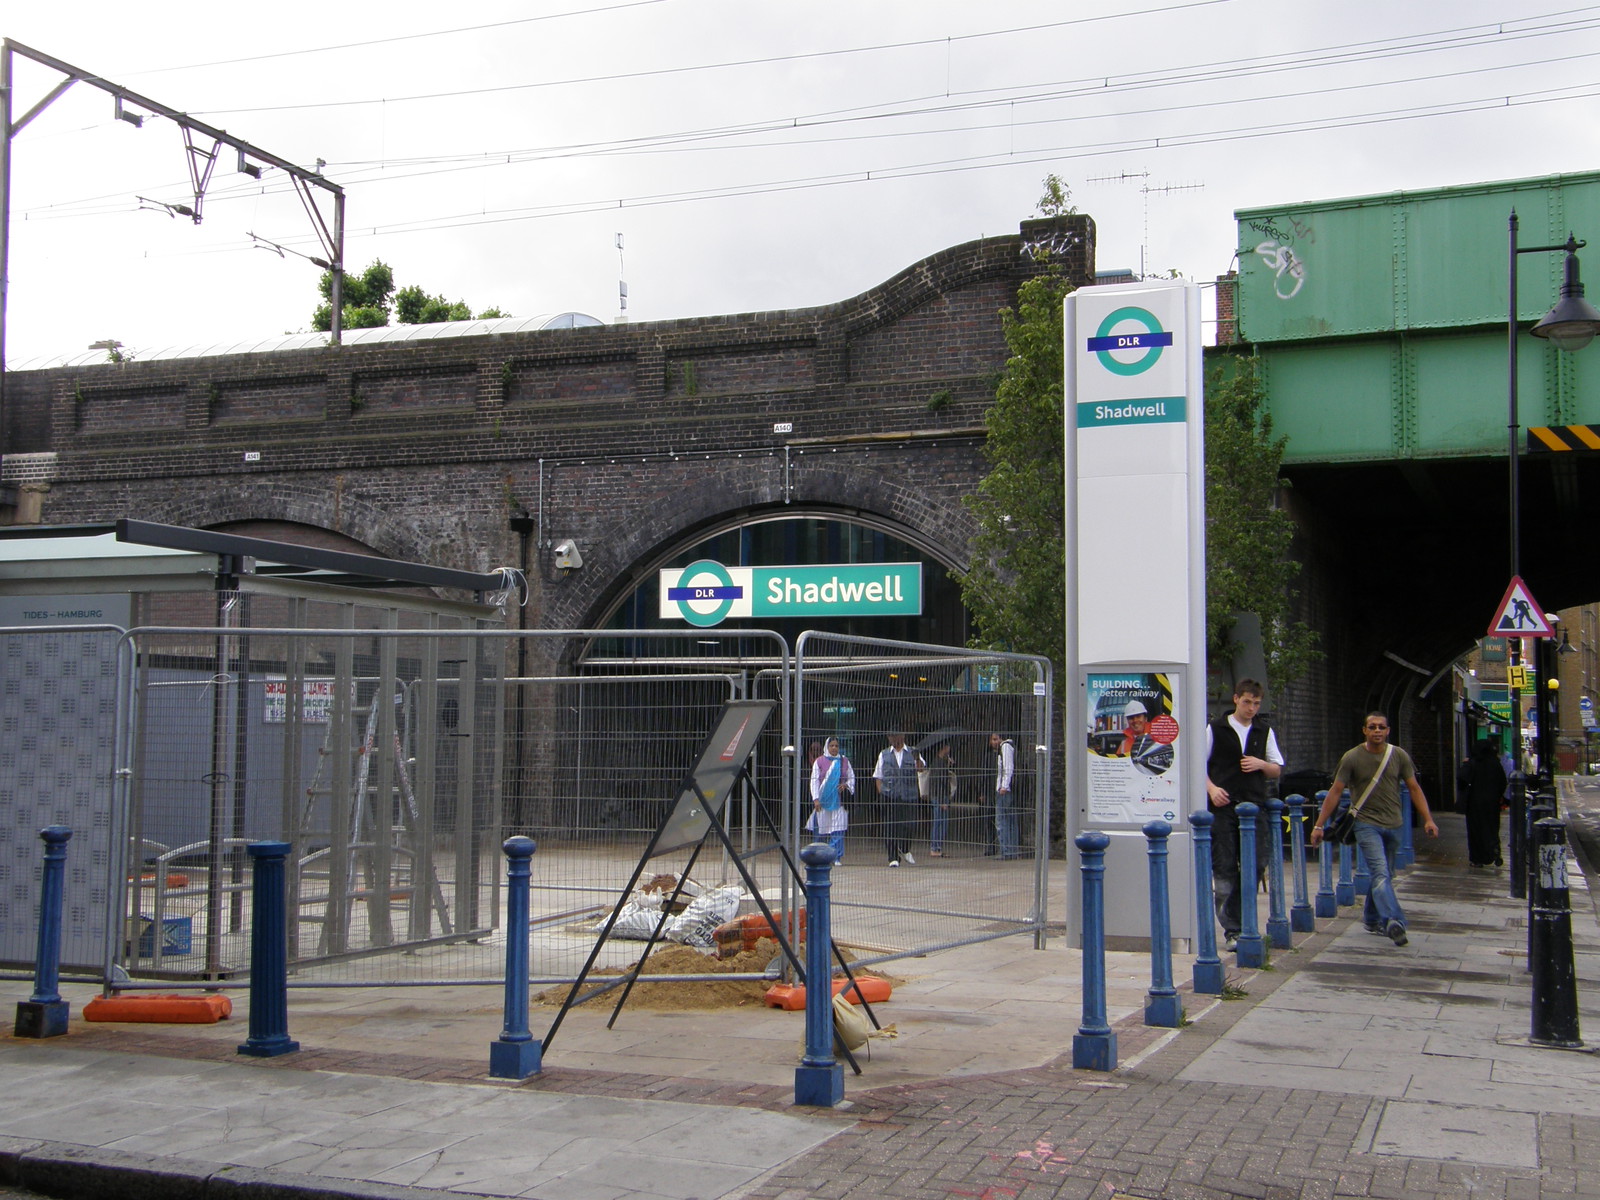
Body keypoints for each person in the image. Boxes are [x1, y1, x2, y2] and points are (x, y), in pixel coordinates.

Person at [1312, 711, 1439, 946]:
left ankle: (1371, 918)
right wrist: (1319, 824)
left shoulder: (1398, 756)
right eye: (1372, 727)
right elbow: (1336, 792)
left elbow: (1413, 788)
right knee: (1380, 872)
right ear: (1365, 730)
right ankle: (1394, 921)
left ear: (1388, 730)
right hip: (1366, 824)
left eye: (1381, 727)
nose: (1377, 731)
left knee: (1386, 875)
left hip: (1394, 824)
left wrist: (1428, 819)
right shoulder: (1352, 758)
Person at [1204, 680, 1284, 952]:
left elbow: (1276, 768)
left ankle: (1240, 919)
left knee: (1257, 862)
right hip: (1223, 805)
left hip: (1254, 804)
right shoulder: (1216, 728)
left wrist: (1261, 764)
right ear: (1236, 699)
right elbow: (1198, 764)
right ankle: (1233, 929)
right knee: (1224, 866)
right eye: (1247, 702)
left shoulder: (1264, 730)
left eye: (1257, 703)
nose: (1252, 708)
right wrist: (1212, 789)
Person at [873, 732, 923, 867]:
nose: (893, 739)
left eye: (895, 736)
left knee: (909, 824)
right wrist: (881, 792)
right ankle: (893, 857)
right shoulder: (884, 754)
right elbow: (878, 776)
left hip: (909, 795)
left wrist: (917, 759)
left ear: (902, 736)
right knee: (890, 826)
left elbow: (921, 769)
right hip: (890, 795)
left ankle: (905, 848)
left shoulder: (912, 752)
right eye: (890, 736)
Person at [807, 736, 854, 864]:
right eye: (831, 746)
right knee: (821, 829)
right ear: (827, 747)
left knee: (838, 828)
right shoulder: (819, 761)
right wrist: (816, 799)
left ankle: (835, 856)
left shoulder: (844, 761)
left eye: (836, 746)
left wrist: (846, 785)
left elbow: (851, 778)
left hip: (839, 801)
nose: (834, 748)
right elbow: (814, 781)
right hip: (823, 800)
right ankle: (819, 856)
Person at [1465, 738, 1508, 868]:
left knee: (1475, 830)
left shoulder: (1473, 763)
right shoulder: (1495, 763)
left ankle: (1477, 858)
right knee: (1492, 828)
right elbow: (1503, 782)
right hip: (1492, 803)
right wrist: (1498, 796)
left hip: (1474, 803)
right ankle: (1494, 851)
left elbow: (1463, 780)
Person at [1118, 700, 1175, 775]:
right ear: (1128, 721)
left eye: (1138, 716)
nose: (1135, 720)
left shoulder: (1159, 736)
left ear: (1145, 718)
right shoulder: (1123, 745)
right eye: (1131, 718)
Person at [990, 732, 1020, 859]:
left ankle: (1006, 850)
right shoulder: (1008, 747)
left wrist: (1004, 786)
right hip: (1007, 789)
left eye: (995, 739)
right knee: (1009, 820)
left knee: (1001, 821)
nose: (993, 742)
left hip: (1004, 790)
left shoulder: (1005, 747)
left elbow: (1008, 767)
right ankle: (1011, 851)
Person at [925, 742, 956, 857]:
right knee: (939, 822)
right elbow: (938, 782)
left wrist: (949, 766)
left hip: (940, 796)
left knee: (941, 822)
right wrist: (943, 801)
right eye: (948, 746)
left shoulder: (941, 762)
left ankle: (938, 847)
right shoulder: (938, 763)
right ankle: (935, 847)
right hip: (939, 797)